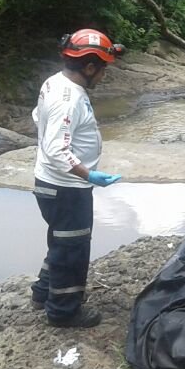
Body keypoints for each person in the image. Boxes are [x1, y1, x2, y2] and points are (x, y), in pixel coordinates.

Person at [30, 28, 125, 328]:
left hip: (55, 185)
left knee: (61, 242)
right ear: (89, 67)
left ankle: (42, 293)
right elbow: (57, 149)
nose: (104, 76)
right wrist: (88, 174)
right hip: (66, 188)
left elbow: (38, 116)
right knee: (73, 248)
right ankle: (63, 311)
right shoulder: (67, 98)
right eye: (103, 69)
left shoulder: (54, 82)